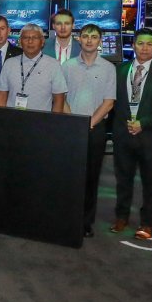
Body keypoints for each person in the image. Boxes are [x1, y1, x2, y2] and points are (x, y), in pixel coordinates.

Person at [111, 28, 152, 240]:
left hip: (150, 139)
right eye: (140, 43)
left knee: (150, 182)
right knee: (123, 180)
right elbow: (112, 103)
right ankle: (121, 217)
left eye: (149, 44)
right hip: (123, 137)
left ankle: (147, 223)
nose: (145, 48)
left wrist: (144, 123)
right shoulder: (120, 70)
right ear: (133, 45)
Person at [62, 24, 118, 238]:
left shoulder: (108, 68)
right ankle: (66, 217)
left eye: (94, 37)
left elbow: (109, 102)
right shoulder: (67, 66)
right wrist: (74, 122)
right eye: (85, 36)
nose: (89, 40)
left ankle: (85, 222)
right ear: (79, 39)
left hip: (96, 129)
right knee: (69, 175)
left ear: (100, 41)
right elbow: (61, 97)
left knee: (91, 177)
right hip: (71, 127)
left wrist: (89, 124)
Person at [0, 24, 66, 112]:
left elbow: (59, 99)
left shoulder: (53, 65)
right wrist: (1, 118)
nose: (30, 41)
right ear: (20, 41)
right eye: (25, 38)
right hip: (12, 118)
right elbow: (1, 95)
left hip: (41, 119)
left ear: (42, 41)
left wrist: (53, 120)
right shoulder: (9, 63)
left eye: (35, 38)